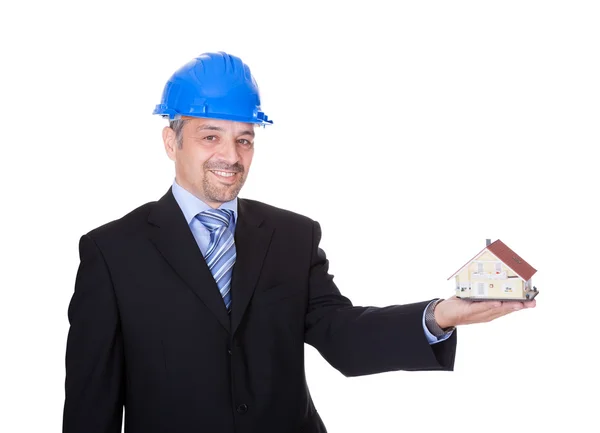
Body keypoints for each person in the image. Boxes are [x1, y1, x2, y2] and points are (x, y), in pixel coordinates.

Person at [62, 51, 535, 433]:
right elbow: (91, 404)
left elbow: (342, 336)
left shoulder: (292, 236)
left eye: (245, 139)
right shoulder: (112, 252)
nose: (230, 156)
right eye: (211, 136)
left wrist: (438, 316)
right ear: (171, 141)